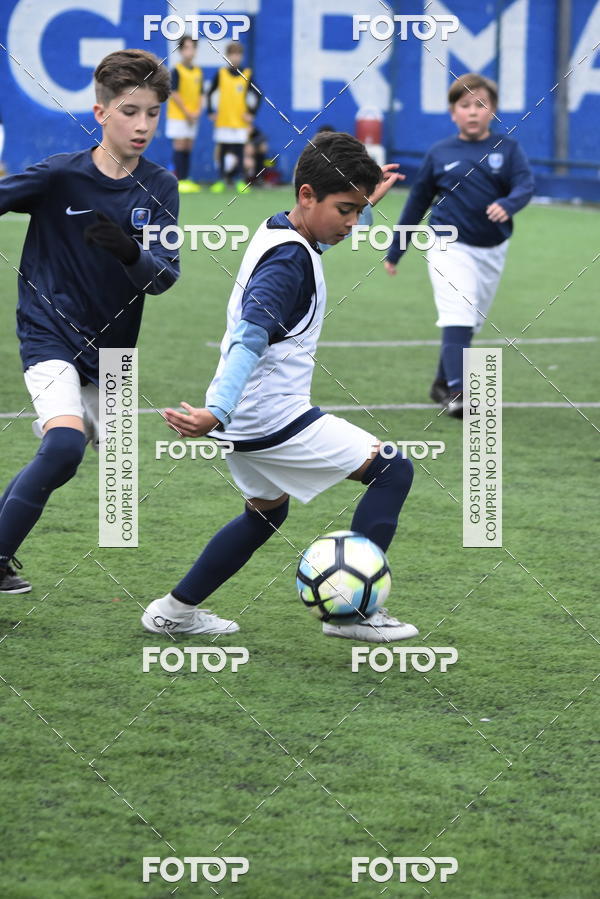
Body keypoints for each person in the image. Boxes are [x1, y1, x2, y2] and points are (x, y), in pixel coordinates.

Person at [141, 132, 418, 643]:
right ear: (307, 195)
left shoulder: (283, 230)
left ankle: (173, 611)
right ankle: (352, 614)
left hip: (247, 417)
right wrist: (215, 412)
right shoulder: (289, 260)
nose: (354, 223)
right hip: (268, 415)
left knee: (266, 515)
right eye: (346, 209)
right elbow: (250, 337)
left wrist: (365, 203)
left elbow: (318, 241)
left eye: (359, 211)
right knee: (394, 468)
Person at [0, 49, 180, 594]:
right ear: (100, 113)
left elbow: (164, 279)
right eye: (130, 111)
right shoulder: (59, 176)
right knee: (64, 445)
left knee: (97, 472)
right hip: (48, 330)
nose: (143, 124)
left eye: (152, 112)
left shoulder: (162, 188)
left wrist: (130, 253)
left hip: (113, 355)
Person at [384, 73, 534, 418]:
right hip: (447, 245)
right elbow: (416, 204)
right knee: (459, 313)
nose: (472, 111)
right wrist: (396, 249)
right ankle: (457, 392)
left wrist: (509, 204)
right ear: (453, 112)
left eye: (480, 104)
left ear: (492, 110)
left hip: (492, 250)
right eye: (464, 105)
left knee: (468, 323)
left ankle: (440, 382)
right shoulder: (440, 154)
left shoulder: (507, 150)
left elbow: (525, 185)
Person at [207, 41, 261, 193]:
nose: (235, 58)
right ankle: (222, 179)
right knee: (223, 149)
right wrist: (211, 111)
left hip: (239, 121)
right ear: (227, 56)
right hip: (223, 119)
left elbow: (258, 94)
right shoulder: (221, 74)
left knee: (239, 150)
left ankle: (239, 180)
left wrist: (251, 113)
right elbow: (210, 92)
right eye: (232, 54)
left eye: (238, 54)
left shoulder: (247, 74)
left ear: (241, 56)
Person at [166, 35, 203, 193]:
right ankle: (179, 180)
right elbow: (174, 93)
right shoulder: (176, 70)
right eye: (186, 48)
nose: (190, 51)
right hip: (179, 116)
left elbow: (201, 94)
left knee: (188, 145)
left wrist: (197, 111)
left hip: (192, 117)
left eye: (193, 48)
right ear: (181, 50)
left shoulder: (198, 72)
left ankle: (187, 179)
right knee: (180, 145)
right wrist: (187, 112)